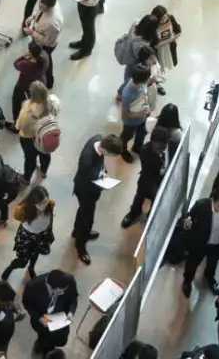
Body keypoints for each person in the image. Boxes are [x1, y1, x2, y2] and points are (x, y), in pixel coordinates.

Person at [72, 132, 123, 263]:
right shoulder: (87, 160)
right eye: (111, 155)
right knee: (87, 219)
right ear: (104, 149)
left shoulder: (98, 139)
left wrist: (102, 169)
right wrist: (102, 184)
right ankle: (80, 245)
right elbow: (88, 180)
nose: (111, 158)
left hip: (90, 186)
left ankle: (76, 231)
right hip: (85, 191)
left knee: (82, 211)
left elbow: (98, 165)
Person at [181, 187, 219, 297]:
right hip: (200, 243)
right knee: (192, 263)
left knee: (213, 263)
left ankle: (209, 277)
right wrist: (187, 226)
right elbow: (188, 220)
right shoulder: (201, 206)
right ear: (213, 200)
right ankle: (187, 281)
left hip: (217, 244)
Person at [121, 127, 171, 229]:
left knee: (156, 201)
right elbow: (148, 174)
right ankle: (134, 213)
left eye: (161, 147)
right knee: (140, 196)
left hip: (164, 179)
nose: (158, 150)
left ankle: (151, 216)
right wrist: (155, 191)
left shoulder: (172, 147)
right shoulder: (145, 151)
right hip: (148, 179)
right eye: (156, 147)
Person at [22, 269, 78, 355]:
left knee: (59, 340)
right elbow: (28, 304)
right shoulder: (32, 286)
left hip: (60, 319)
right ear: (50, 286)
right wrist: (40, 318)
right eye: (60, 291)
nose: (63, 292)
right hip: (41, 320)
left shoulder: (69, 281)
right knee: (43, 337)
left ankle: (50, 347)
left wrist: (70, 313)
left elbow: (73, 298)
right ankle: (41, 346)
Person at [16, 81, 59, 180]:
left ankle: (27, 179)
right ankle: (44, 172)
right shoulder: (53, 102)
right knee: (45, 154)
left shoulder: (27, 109)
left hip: (29, 138)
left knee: (30, 159)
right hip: (45, 135)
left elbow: (19, 126)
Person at [23, 0, 63, 89]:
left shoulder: (53, 23)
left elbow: (48, 41)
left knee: (46, 60)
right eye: (40, 4)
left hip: (46, 44)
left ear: (50, 8)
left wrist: (32, 33)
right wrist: (32, 17)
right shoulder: (44, 4)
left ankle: (49, 81)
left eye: (42, 7)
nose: (40, 7)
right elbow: (38, 10)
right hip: (38, 32)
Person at [10, 40, 49, 125]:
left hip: (25, 86)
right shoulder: (45, 56)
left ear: (31, 53)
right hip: (41, 81)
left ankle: (16, 123)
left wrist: (24, 56)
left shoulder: (27, 64)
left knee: (17, 102)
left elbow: (16, 64)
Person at [119, 65, 152, 162]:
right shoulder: (128, 95)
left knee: (141, 133)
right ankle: (123, 151)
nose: (149, 78)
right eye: (148, 77)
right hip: (131, 122)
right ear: (143, 79)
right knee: (127, 136)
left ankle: (137, 148)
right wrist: (140, 113)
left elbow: (143, 94)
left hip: (142, 116)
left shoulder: (140, 84)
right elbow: (125, 114)